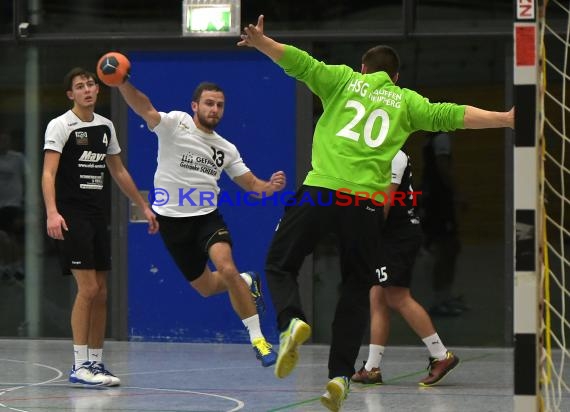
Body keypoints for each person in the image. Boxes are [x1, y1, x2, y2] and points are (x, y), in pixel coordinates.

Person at [238, 15, 514, 412]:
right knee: (355, 290)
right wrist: (504, 119)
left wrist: (262, 42)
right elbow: (453, 114)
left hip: (322, 191)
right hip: (365, 206)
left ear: (363, 69)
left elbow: (298, 62)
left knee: (279, 264)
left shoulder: (343, 80)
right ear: (396, 77)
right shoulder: (406, 102)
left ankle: (290, 323)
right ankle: (338, 376)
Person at [113, 70, 285, 368]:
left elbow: (252, 185)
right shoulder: (175, 124)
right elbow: (143, 106)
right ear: (195, 106)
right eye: (208, 103)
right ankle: (247, 281)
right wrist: (121, 82)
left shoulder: (226, 148)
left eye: (219, 105)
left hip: (207, 218)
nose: (214, 109)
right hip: (172, 223)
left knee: (227, 268)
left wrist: (269, 187)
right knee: (206, 288)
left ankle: (259, 340)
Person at [42, 67, 160, 386]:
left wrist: (143, 206)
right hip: (71, 215)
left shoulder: (105, 126)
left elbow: (119, 172)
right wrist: (52, 212)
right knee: (89, 289)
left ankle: (96, 364)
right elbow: (49, 173)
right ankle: (79, 365)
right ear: (71, 95)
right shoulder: (61, 125)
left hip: (97, 215)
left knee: (103, 292)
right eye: (80, 86)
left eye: (91, 84)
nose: (88, 90)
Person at [351, 150, 458, 388]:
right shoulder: (374, 153)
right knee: (377, 296)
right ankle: (372, 368)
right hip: (386, 236)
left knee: (397, 297)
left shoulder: (394, 155)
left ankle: (441, 355)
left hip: (397, 236)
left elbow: (386, 202)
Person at [420, 131, 466, 316]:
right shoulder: (441, 138)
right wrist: (457, 194)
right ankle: (439, 300)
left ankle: (445, 296)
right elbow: (443, 167)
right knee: (446, 249)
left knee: (451, 248)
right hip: (438, 203)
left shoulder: (431, 140)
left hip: (434, 200)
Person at [0, 132, 25, 281]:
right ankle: (7, 265)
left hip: (13, 204)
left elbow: (27, 177)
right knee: (3, 237)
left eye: (5, 140)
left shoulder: (18, 158)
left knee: (11, 236)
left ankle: (18, 267)